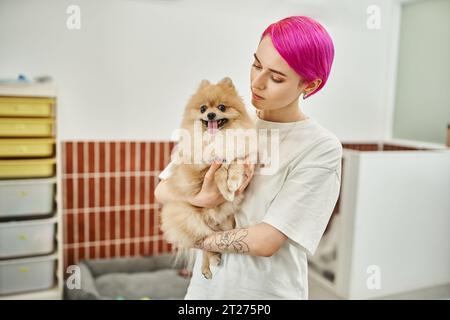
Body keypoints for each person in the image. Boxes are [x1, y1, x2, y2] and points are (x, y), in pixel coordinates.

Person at [154, 16, 342, 299]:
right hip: (204, 292)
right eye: (256, 64)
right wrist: (201, 199)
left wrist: (199, 239)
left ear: (310, 85)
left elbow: (267, 240)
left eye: (276, 77)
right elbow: (162, 190)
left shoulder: (320, 146)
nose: (257, 82)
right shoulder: (229, 120)